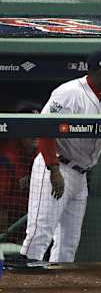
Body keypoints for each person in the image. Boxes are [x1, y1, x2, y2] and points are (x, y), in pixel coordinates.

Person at [19, 49, 101, 264]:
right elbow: (44, 129)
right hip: (57, 166)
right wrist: (53, 170)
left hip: (81, 175)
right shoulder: (68, 92)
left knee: (69, 243)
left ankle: (57, 285)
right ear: (100, 72)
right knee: (40, 233)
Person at [0, 103, 40, 243]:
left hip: (34, 216)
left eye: (39, 127)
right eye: (30, 127)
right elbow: (2, 206)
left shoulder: (43, 153)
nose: (35, 133)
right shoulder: (7, 157)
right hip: (10, 221)